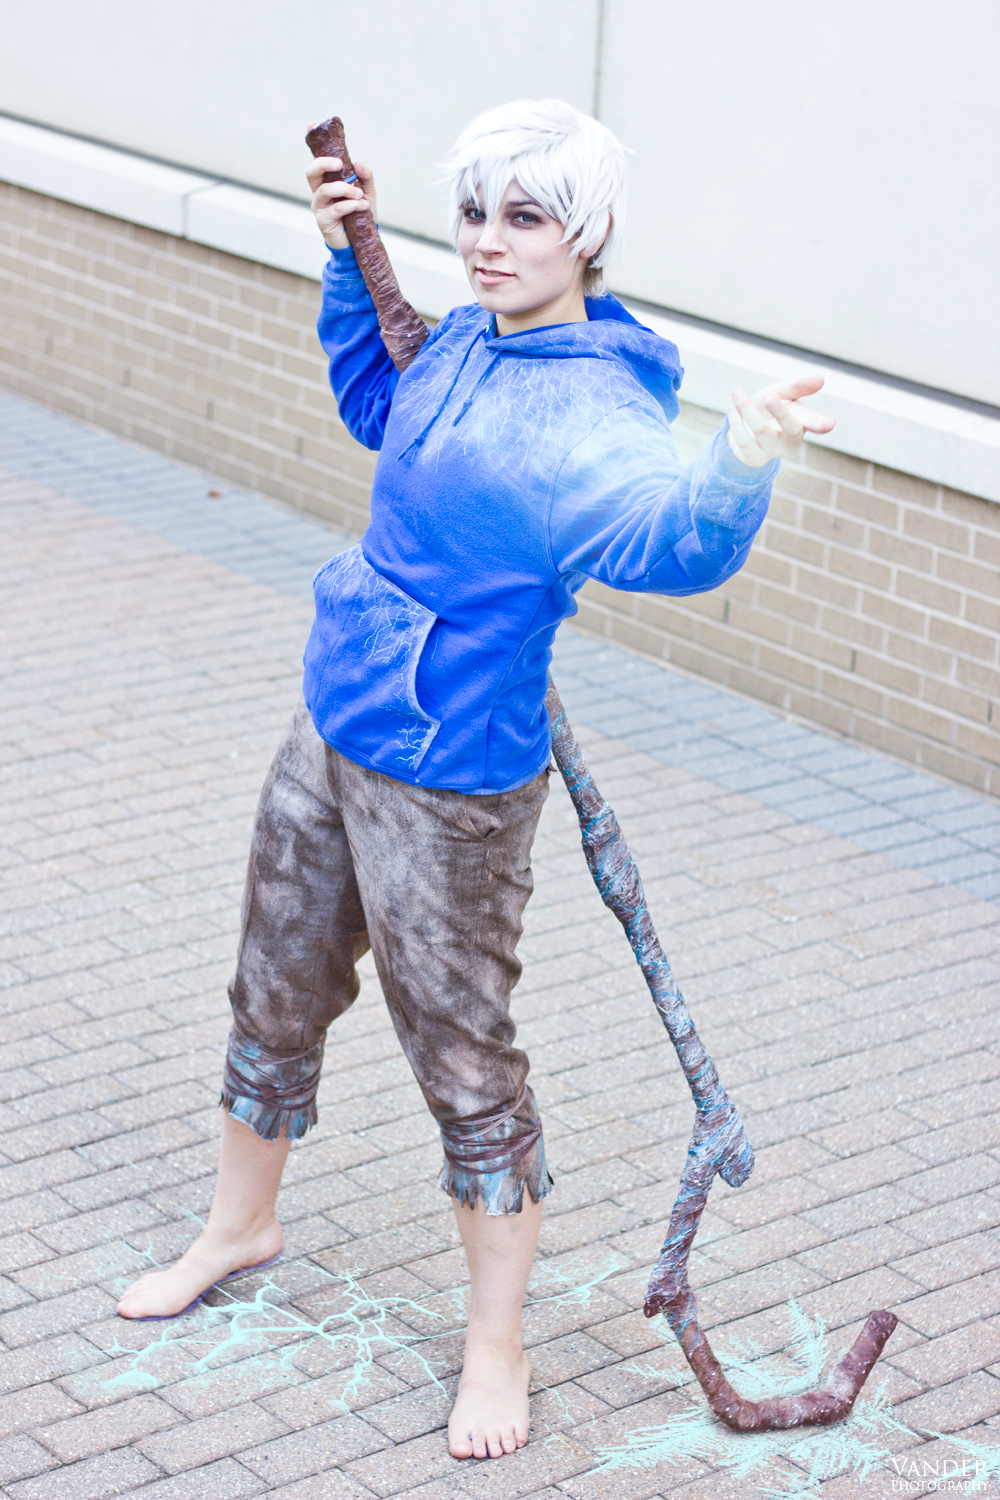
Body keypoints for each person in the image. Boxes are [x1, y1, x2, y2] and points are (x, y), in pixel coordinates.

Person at [117, 98, 834, 1460]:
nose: (489, 242)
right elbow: (378, 403)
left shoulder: (597, 407)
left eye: (526, 217)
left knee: (463, 1058)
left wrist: (737, 459)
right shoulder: (460, 340)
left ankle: (497, 1345)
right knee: (273, 987)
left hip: (452, 784)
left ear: (590, 234)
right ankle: (238, 1226)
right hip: (335, 720)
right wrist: (348, 259)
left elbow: (670, 542)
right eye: (473, 213)